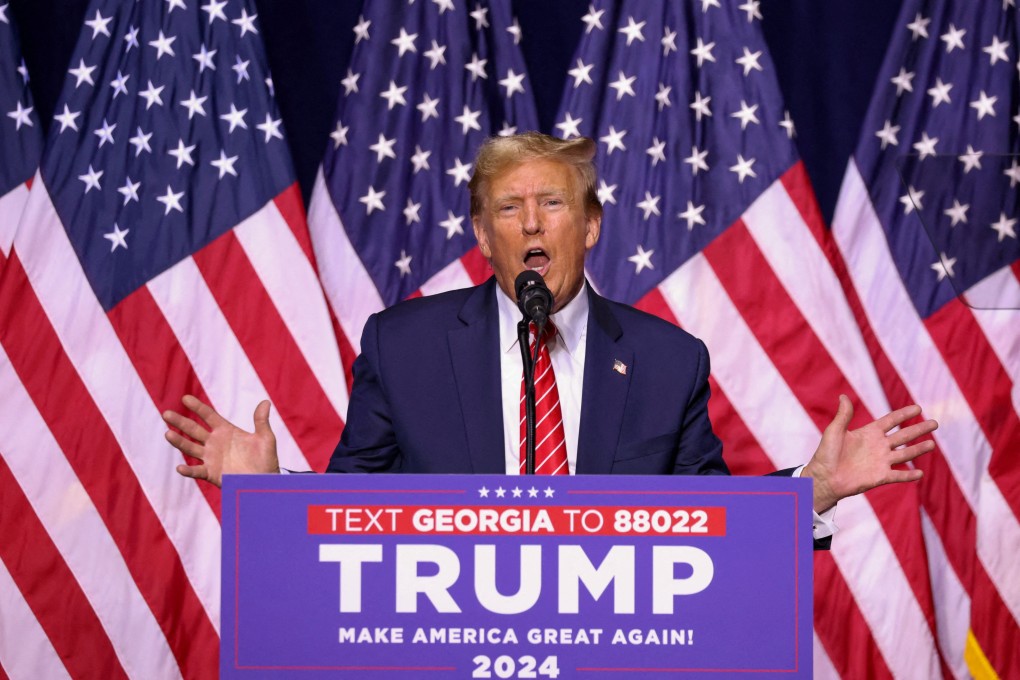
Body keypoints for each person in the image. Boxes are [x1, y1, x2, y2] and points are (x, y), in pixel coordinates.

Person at [163, 132, 937, 529]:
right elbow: (350, 517)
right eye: (509, 208)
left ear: (591, 225)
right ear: (482, 234)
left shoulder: (668, 362)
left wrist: (812, 490)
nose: (531, 223)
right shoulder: (404, 347)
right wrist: (268, 495)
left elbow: (710, 526)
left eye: (553, 204)